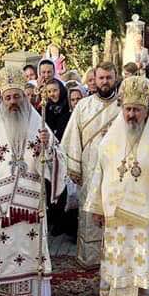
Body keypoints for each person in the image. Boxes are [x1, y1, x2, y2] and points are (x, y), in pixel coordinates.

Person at [0, 66, 65, 296]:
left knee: (33, 254)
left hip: (33, 207)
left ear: (25, 97)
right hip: (4, 208)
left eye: (17, 96)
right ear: (2, 98)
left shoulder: (39, 125)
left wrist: (48, 148)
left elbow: (57, 160)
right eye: (8, 97)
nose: (12, 102)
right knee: (5, 253)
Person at [82, 76, 149, 296]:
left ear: (146, 112)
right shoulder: (109, 141)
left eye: (137, 110)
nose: (131, 115)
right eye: (128, 109)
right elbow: (99, 174)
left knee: (142, 259)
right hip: (115, 215)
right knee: (116, 258)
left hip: (145, 216)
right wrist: (97, 208)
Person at [59, 62, 120, 267]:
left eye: (109, 77)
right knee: (89, 211)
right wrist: (75, 167)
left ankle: (116, 257)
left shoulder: (124, 105)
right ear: (94, 79)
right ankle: (91, 257)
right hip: (90, 168)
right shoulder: (83, 106)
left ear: (115, 78)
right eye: (101, 78)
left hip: (117, 170)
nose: (105, 81)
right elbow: (72, 138)